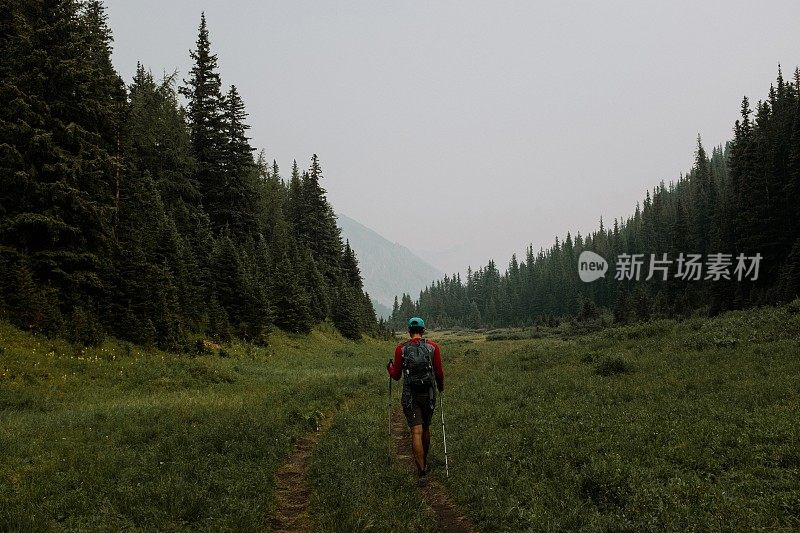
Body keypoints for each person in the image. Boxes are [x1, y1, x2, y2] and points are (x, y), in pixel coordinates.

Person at [387, 316, 444, 485]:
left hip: (410, 394)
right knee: (426, 428)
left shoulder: (401, 349)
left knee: (416, 432)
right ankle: (424, 462)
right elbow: (439, 372)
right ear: (423, 330)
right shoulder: (433, 347)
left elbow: (396, 375)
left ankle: (421, 471)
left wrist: (389, 368)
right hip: (429, 393)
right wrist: (441, 388)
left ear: (409, 331)